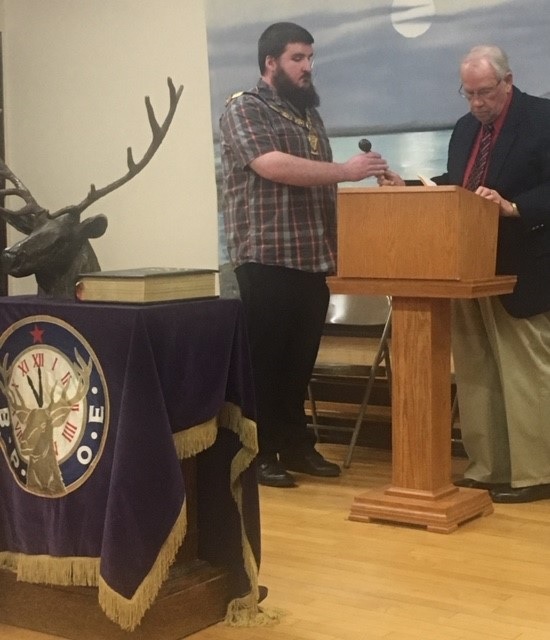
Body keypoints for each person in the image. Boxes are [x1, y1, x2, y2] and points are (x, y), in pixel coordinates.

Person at [219, 22, 389, 488]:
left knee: (299, 362)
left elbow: (324, 182)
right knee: (265, 364)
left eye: (310, 58)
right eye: (298, 58)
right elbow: (270, 165)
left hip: (312, 258)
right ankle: (258, 452)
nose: (308, 67)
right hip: (266, 257)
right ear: (270, 62)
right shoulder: (244, 109)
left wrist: (375, 181)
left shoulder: (308, 117)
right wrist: (345, 170)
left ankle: (295, 444)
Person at [381, 45, 550, 503]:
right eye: (469, 93)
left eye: (486, 92)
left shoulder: (542, 118)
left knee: (523, 375)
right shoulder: (464, 129)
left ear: (508, 81)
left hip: (525, 267)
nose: (477, 103)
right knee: (476, 371)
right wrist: (412, 188)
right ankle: (488, 467)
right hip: (467, 267)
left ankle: (536, 474)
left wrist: (515, 207)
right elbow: (459, 183)